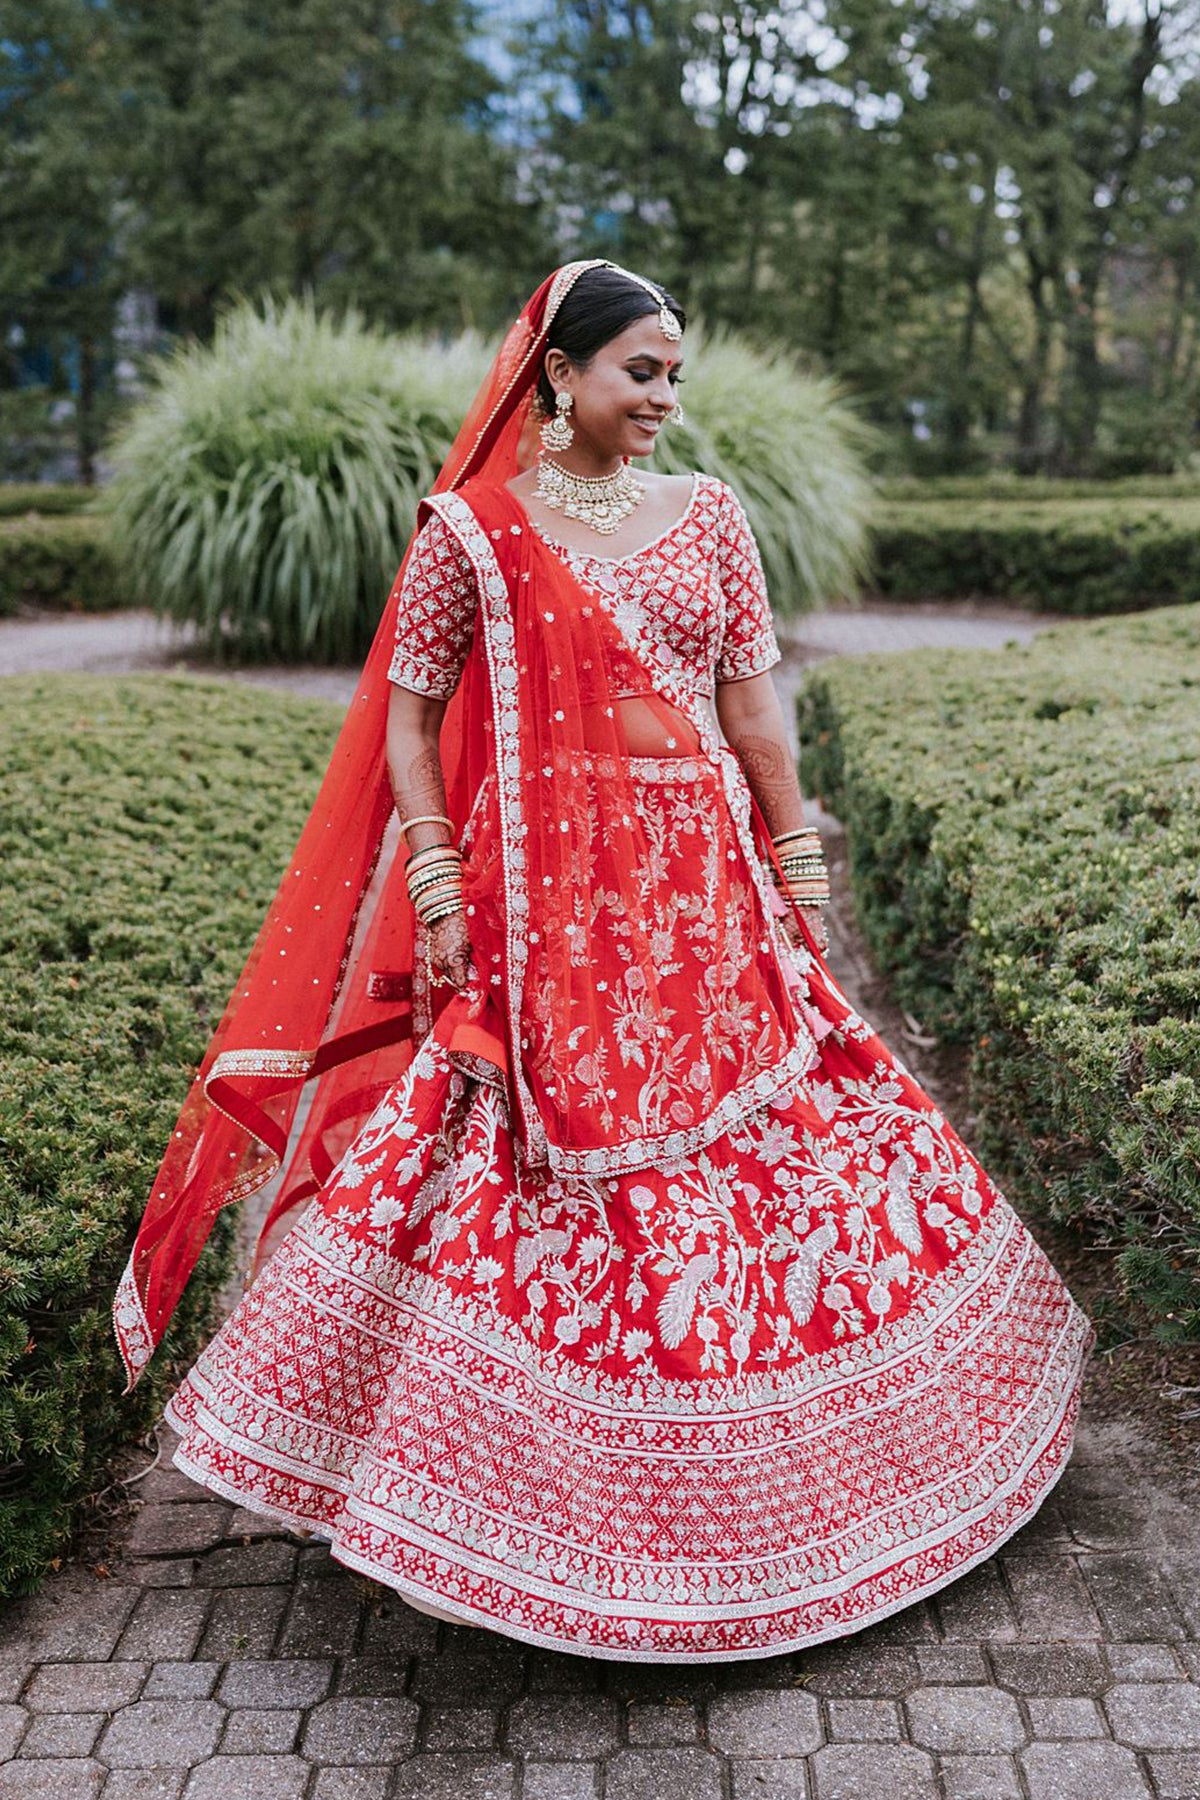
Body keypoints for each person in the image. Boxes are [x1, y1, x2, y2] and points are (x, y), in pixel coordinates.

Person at [115, 259, 1096, 1662]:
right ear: (559, 374)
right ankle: (485, 1506)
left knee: (797, 1134)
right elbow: (410, 721)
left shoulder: (711, 518)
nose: (662, 398)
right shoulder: (473, 529)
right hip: (545, 908)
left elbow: (753, 708)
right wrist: (444, 879)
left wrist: (796, 858)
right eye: (640, 369)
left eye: (675, 373)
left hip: (703, 902)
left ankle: (824, 1489)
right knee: (504, 1159)